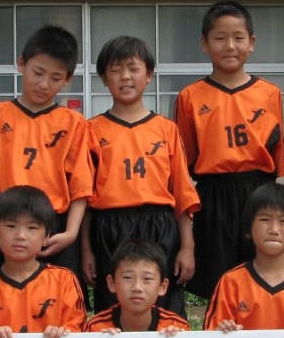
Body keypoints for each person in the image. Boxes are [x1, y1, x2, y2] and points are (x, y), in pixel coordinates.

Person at [174, 1, 284, 302]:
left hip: (259, 192)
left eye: (238, 37)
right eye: (220, 38)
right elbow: (184, 162)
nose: (230, 46)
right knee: (219, 286)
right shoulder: (190, 97)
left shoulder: (270, 94)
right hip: (213, 196)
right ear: (204, 43)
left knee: (263, 280)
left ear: (252, 42)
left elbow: (276, 158)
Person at [82, 36, 200, 317]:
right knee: (114, 310)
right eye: (116, 69)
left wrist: (187, 246)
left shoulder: (166, 129)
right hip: (110, 228)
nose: (125, 76)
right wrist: (86, 249)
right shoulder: (90, 130)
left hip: (159, 226)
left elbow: (182, 194)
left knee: (164, 310)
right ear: (104, 78)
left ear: (148, 75)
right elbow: (84, 196)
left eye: (133, 68)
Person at [0, 25, 92, 284]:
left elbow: (81, 186)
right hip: (10, 223)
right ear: (21, 64)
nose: (43, 84)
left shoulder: (73, 122)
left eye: (55, 77)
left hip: (57, 229)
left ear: (67, 79)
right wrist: (5, 224)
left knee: (62, 297)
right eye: (37, 73)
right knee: (12, 294)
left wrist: (71, 232)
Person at [204, 183, 284, 332]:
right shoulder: (231, 283)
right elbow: (210, 337)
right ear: (248, 230)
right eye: (265, 219)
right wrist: (222, 331)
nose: (274, 230)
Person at [0, 186, 86, 338]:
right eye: (11, 226)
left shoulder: (64, 280)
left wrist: (63, 333)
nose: (20, 236)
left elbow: (77, 330)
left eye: (32, 228)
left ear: (46, 236)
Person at [84, 239, 190, 334]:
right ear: (112, 283)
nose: (137, 287)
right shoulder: (96, 328)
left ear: (162, 286)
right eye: (127, 277)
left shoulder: (177, 327)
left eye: (147, 278)